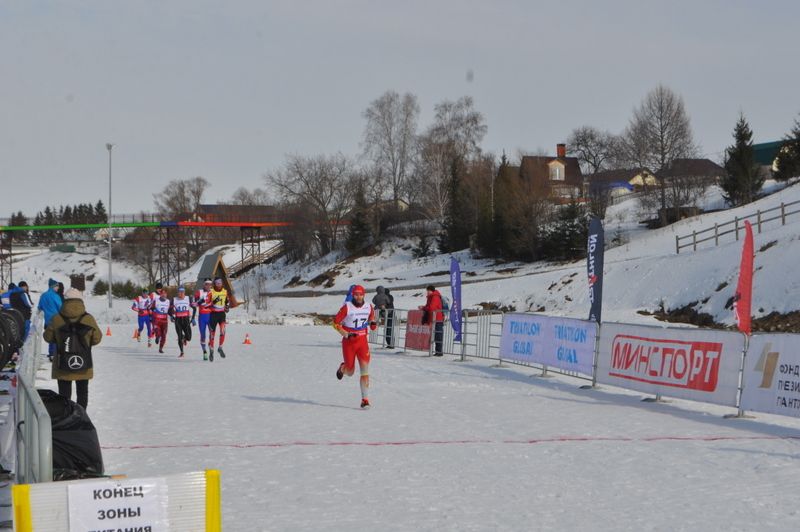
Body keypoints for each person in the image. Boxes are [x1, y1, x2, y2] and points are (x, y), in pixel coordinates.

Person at [43, 288, 102, 410]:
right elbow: (97, 338)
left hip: (62, 362)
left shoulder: (57, 318)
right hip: (83, 362)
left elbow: (48, 337)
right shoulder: (88, 318)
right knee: (82, 393)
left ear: (65, 300)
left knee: (64, 395)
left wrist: (60, 340)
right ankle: (81, 417)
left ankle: (66, 418)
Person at [333, 285, 377, 409]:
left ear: (364, 295)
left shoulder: (369, 306)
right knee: (351, 372)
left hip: (362, 342)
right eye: (356, 294)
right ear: (353, 295)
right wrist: (346, 334)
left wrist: (373, 323)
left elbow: (371, 318)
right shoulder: (347, 307)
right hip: (349, 343)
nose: (358, 297)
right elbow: (335, 323)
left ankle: (365, 400)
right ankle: (343, 368)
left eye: (361, 294)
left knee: (365, 371)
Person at [37, 278, 63, 359]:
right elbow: (61, 307)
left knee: (51, 336)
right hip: (57, 319)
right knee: (57, 336)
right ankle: (55, 353)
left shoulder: (43, 295)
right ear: (53, 286)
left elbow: (40, 307)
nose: (58, 288)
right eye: (57, 286)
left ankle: (51, 353)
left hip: (48, 320)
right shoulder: (55, 296)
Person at [206, 277, 229, 361]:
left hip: (222, 314)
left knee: (223, 331)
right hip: (213, 315)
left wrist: (227, 307)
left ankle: (220, 348)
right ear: (214, 284)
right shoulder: (211, 292)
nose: (219, 284)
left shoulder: (225, 291)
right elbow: (206, 304)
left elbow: (226, 301)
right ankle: (211, 350)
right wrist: (214, 302)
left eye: (220, 282)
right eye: (217, 283)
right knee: (212, 334)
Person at [419, 285, 444, 356]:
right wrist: (424, 307)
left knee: (438, 335)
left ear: (431, 290)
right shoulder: (430, 297)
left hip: (437, 318)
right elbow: (429, 307)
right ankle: (437, 351)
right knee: (435, 335)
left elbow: (432, 308)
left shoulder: (435, 297)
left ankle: (439, 351)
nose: (427, 292)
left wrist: (423, 308)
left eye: (428, 291)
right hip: (433, 318)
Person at [170, 286, 193, 358]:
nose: (181, 294)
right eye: (180, 292)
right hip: (178, 320)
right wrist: (171, 315)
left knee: (189, 338)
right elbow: (169, 309)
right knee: (179, 337)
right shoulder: (174, 299)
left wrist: (193, 318)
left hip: (186, 320)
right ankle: (182, 352)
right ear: (178, 293)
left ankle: (185, 338)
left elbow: (194, 308)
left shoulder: (188, 298)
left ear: (184, 292)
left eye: (183, 292)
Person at [194, 278, 214, 360]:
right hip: (202, 316)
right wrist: (198, 302)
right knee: (203, 335)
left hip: (211, 316)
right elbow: (194, 304)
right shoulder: (199, 292)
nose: (208, 286)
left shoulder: (213, 292)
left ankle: (210, 345)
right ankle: (204, 351)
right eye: (206, 284)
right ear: (204, 284)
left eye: (210, 284)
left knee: (212, 333)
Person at [149, 282, 166, 346]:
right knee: (155, 326)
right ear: (156, 289)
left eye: (160, 288)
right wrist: (150, 310)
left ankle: (158, 335)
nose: (159, 289)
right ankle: (157, 336)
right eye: (158, 288)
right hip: (154, 313)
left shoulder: (163, 294)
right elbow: (149, 303)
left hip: (161, 313)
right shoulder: (153, 294)